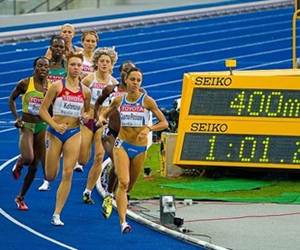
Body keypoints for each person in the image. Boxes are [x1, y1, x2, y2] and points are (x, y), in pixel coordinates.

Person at [97, 67, 168, 233]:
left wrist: (149, 128)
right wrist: (101, 119)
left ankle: (113, 195)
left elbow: (164, 123)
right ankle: (123, 223)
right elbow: (104, 114)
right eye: (133, 79)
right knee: (124, 182)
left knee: (129, 187)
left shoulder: (147, 101)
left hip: (140, 147)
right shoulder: (119, 100)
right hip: (122, 144)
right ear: (126, 81)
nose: (135, 83)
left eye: (138, 80)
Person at [39, 52, 91, 226]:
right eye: (73, 65)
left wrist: (85, 116)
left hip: (74, 132)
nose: (76, 68)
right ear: (67, 66)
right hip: (54, 132)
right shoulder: (56, 86)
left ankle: (57, 214)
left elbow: (88, 112)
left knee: (68, 173)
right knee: (51, 174)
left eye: (79, 65)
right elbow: (43, 110)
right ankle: (47, 169)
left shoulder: (86, 91)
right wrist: (54, 125)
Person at [74, 47, 118, 206]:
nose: (105, 64)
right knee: (84, 155)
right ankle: (79, 162)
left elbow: (115, 105)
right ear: (96, 63)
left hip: (102, 121)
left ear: (112, 64)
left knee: (99, 156)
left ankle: (88, 191)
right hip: (89, 118)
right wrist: (82, 113)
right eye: (102, 61)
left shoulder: (114, 83)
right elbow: (78, 96)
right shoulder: (88, 79)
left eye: (108, 61)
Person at [95, 60, 136, 218]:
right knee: (118, 166)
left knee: (121, 169)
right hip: (111, 133)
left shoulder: (139, 93)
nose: (127, 73)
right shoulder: (111, 89)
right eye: (125, 70)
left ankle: (110, 193)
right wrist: (98, 118)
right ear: (121, 73)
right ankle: (109, 196)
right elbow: (97, 103)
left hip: (128, 136)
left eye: (130, 70)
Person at [9, 57, 50, 210]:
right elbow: (11, 99)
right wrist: (17, 118)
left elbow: (51, 110)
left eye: (46, 66)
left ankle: (20, 198)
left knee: (34, 167)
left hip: (41, 126)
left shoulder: (51, 87)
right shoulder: (25, 83)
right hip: (26, 125)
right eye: (40, 66)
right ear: (35, 67)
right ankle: (19, 163)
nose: (43, 69)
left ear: (49, 69)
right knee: (28, 157)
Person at [38, 35, 67, 191]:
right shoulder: (44, 65)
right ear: (50, 47)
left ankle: (53, 178)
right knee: (45, 147)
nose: (58, 49)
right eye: (55, 46)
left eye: (61, 47)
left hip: (62, 111)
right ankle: (46, 179)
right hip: (46, 109)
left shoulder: (68, 65)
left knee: (57, 147)